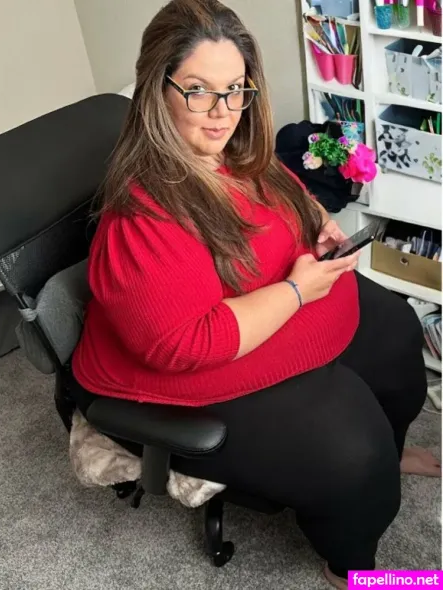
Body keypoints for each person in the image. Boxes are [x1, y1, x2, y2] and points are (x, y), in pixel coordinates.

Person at [71, 1, 440, 587]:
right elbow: (185, 343)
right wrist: (296, 291)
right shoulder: (143, 212)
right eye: (198, 90)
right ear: (157, 90)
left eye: (235, 89)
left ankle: (393, 457)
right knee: (352, 448)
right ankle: (355, 572)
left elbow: (280, 189)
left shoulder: (232, 148)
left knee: (394, 330)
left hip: (260, 301)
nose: (222, 112)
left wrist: (315, 219)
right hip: (185, 359)